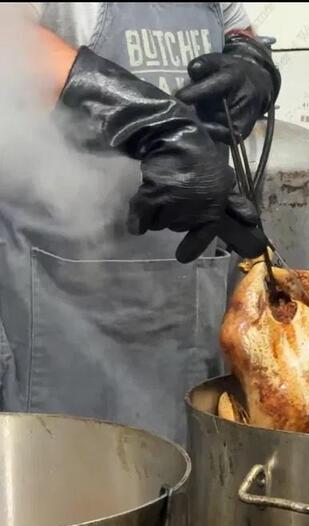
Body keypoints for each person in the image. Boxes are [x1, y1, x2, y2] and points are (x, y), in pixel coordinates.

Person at [0, 3, 280, 443]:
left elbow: (235, 28)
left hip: (186, 295)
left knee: (190, 484)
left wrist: (251, 63)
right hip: (67, 305)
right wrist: (150, 126)